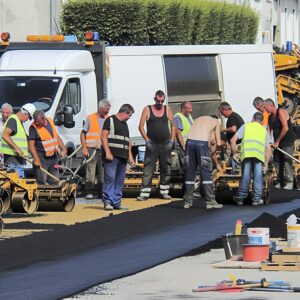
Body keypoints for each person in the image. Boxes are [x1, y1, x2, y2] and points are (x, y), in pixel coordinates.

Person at [137, 90, 176, 201]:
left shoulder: (167, 109)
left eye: (162, 101)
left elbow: (173, 126)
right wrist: (147, 140)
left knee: (166, 168)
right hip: (152, 145)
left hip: (165, 144)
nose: (160, 103)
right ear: (154, 99)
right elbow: (140, 126)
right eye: (158, 101)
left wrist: (172, 140)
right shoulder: (147, 109)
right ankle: (144, 193)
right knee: (148, 168)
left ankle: (163, 191)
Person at [183, 115, 223, 209]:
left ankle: (187, 202)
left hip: (189, 142)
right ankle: (210, 201)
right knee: (206, 172)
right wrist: (215, 151)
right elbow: (218, 142)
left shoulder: (197, 118)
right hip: (202, 143)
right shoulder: (216, 122)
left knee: (190, 172)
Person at [231, 112, 271, 206]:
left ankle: (240, 199)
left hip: (246, 155)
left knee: (245, 177)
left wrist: (234, 154)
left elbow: (232, 140)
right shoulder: (264, 130)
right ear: (261, 121)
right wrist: (266, 163)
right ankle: (256, 200)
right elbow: (268, 148)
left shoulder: (246, 126)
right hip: (259, 157)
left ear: (253, 119)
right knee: (258, 177)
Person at [101, 104, 135, 210]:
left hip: (123, 157)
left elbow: (127, 141)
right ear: (125, 112)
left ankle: (116, 202)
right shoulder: (110, 120)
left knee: (120, 180)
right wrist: (108, 152)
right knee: (110, 178)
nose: (129, 118)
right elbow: (103, 136)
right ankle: (108, 201)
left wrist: (130, 156)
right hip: (112, 156)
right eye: (129, 115)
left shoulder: (125, 124)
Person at [81, 99, 111, 199]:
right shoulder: (90, 118)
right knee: (90, 171)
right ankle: (89, 190)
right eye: (106, 110)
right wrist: (84, 148)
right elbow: (83, 133)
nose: (108, 112)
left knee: (103, 171)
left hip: (103, 149)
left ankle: (101, 191)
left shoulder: (108, 119)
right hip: (92, 149)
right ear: (100, 108)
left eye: (109, 109)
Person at [28, 110, 67, 185]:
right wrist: (36, 159)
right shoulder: (33, 127)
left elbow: (56, 136)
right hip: (42, 158)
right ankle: (40, 196)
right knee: (41, 181)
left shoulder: (50, 121)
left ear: (43, 118)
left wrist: (64, 148)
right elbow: (31, 144)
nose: (36, 123)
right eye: (35, 121)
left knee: (54, 180)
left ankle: (53, 196)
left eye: (38, 121)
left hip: (53, 156)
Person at [264, 98, 295, 189]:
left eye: (266, 107)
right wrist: (269, 141)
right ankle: (280, 181)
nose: (265, 110)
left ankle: (289, 182)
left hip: (286, 141)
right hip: (276, 143)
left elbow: (285, 128)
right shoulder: (270, 117)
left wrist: (277, 141)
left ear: (271, 105)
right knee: (277, 161)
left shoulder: (280, 112)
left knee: (287, 161)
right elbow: (269, 130)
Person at [0, 103, 36, 177]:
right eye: (28, 118)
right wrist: (17, 148)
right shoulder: (13, 120)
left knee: (19, 179)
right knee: (16, 180)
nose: (27, 120)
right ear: (25, 114)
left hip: (17, 158)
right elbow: (5, 135)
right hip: (13, 158)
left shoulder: (18, 121)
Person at [218, 102, 244, 173]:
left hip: (236, 145)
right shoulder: (234, 116)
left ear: (225, 110)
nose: (222, 114)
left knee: (235, 162)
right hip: (235, 144)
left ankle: (235, 176)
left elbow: (233, 129)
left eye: (221, 112)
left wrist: (222, 130)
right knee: (232, 163)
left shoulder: (232, 117)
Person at [174, 101, 193, 171]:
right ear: (183, 109)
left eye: (191, 108)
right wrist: (183, 147)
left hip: (189, 144)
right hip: (182, 145)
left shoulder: (189, 116)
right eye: (189, 109)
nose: (191, 110)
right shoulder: (178, 117)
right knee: (186, 164)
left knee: (190, 163)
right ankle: (187, 179)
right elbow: (178, 133)